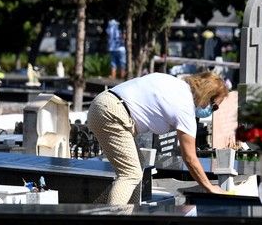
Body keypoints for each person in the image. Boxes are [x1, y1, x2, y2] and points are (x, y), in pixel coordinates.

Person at [87, 71, 229, 204]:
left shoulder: (176, 85)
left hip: (103, 104)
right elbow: (190, 158)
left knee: (138, 167)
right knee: (130, 174)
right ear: (207, 96)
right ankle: (109, 221)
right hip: (113, 113)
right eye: (215, 107)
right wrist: (209, 187)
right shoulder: (185, 107)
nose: (212, 111)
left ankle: (127, 214)